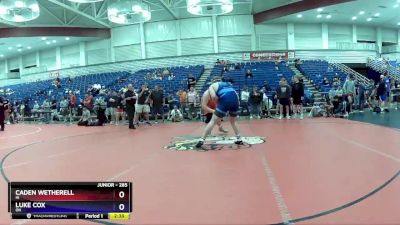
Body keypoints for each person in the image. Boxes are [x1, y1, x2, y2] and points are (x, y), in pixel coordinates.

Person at [196, 80, 243, 148]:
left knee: (213, 120)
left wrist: (219, 108)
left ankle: (201, 140)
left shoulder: (211, 86)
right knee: (233, 121)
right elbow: (235, 94)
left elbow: (214, 97)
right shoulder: (227, 84)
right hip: (235, 99)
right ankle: (239, 138)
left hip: (225, 99)